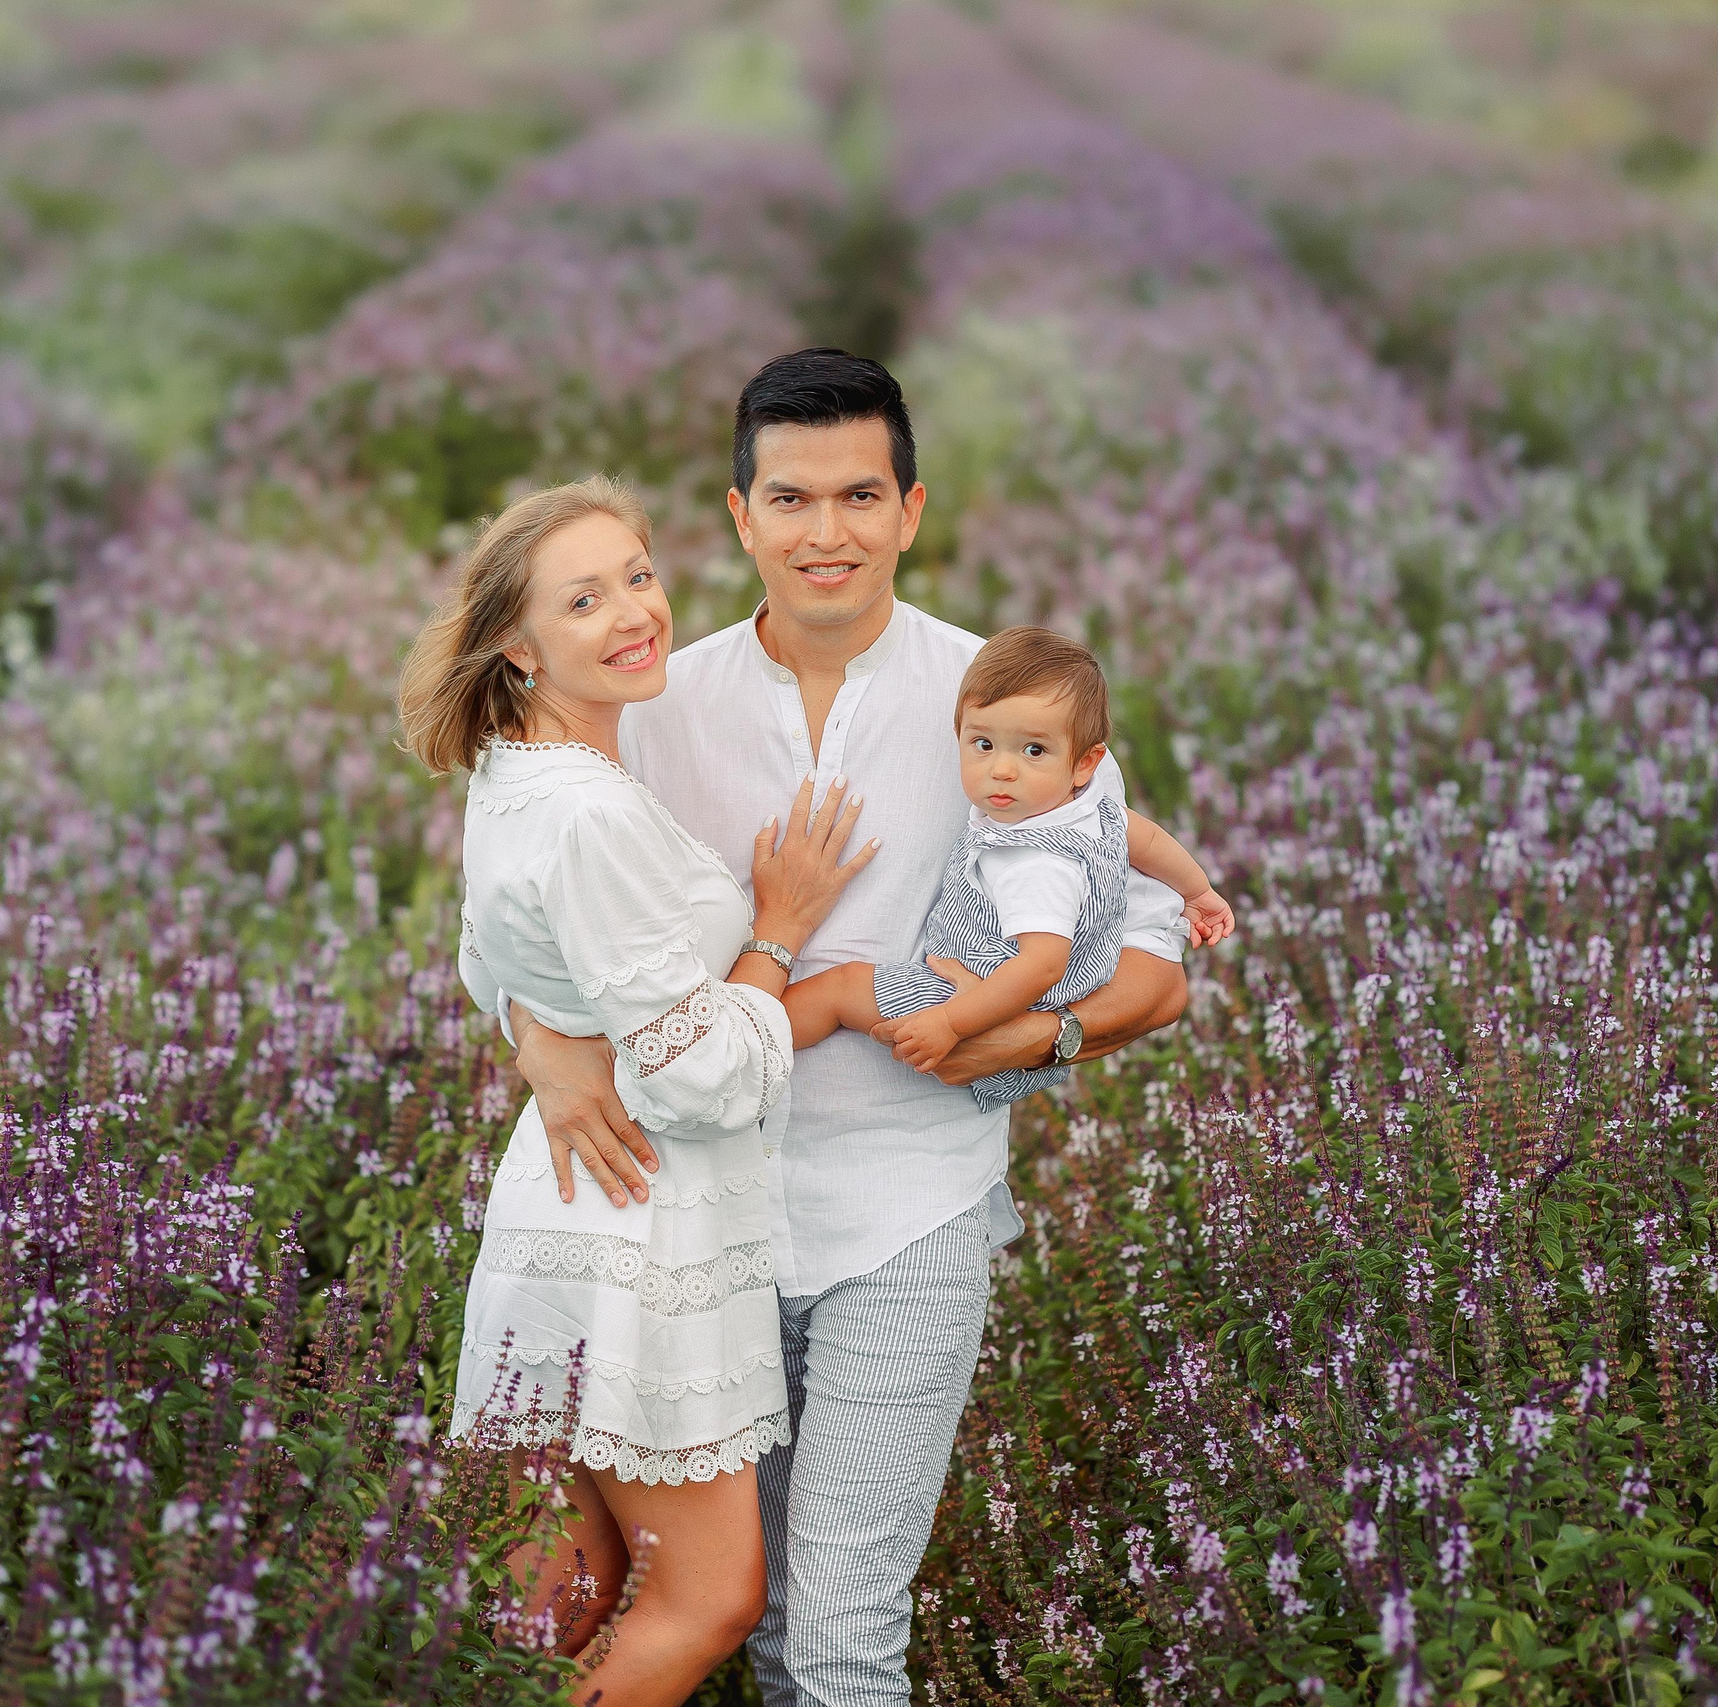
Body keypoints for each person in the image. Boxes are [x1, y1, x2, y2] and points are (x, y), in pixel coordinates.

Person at [501, 350, 1195, 1705]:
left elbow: (1157, 959)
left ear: (912, 510)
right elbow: (535, 916)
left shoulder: (998, 698)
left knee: (839, 1631)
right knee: (734, 1615)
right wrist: (533, 1030)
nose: (829, 532)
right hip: (700, 1224)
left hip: (908, 1213)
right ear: (739, 515)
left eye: (861, 495)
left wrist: (1027, 1041)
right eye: (794, 497)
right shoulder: (654, 702)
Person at [400, 476, 879, 1706]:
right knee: (704, 1597)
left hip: (558, 1215)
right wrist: (780, 945)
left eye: (639, 576)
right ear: (517, 642)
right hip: (641, 1231)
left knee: (551, 1607)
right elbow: (691, 1078)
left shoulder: (517, 776)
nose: (633, 612)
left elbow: (485, 956)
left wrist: (541, 1041)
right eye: (583, 598)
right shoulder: (588, 812)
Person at [783, 625, 1234, 1108]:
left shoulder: (1031, 858)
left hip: (986, 995)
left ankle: (750, 1040)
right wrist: (1198, 892)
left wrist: (951, 1021)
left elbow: (1041, 965)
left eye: (1033, 750)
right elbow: (1145, 839)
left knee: (838, 989)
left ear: (1086, 762)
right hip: (1052, 988)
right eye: (983, 745)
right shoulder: (1086, 806)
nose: (1002, 769)